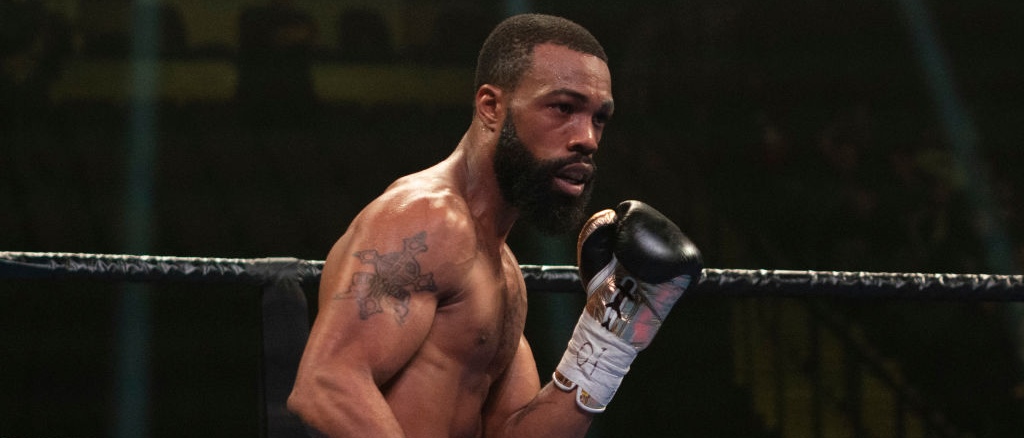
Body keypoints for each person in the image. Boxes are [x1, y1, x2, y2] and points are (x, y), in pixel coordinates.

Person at [287, 13, 703, 438]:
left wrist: (607, 340)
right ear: (491, 107)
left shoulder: (503, 270)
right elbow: (327, 384)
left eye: (599, 118)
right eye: (563, 108)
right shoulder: (425, 219)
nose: (588, 138)